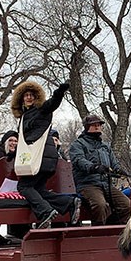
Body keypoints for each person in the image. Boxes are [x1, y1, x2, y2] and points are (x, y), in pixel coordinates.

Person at [11, 80, 79, 229]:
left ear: (37, 98)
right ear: (21, 99)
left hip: (40, 157)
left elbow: (52, 103)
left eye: (32, 95)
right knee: (38, 190)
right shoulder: (25, 116)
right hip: (44, 158)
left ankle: (45, 212)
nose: (29, 98)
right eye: (26, 95)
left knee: (24, 187)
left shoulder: (41, 109)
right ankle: (68, 203)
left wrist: (59, 92)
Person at [69, 114, 131, 226]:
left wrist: (119, 171)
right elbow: (79, 161)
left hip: (106, 184)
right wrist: (94, 167)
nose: (98, 127)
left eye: (99, 125)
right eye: (94, 125)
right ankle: (99, 230)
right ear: (87, 127)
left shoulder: (105, 146)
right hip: (87, 185)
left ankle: (114, 228)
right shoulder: (78, 145)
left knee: (125, 204)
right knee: (100, 205)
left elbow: (114, 164)